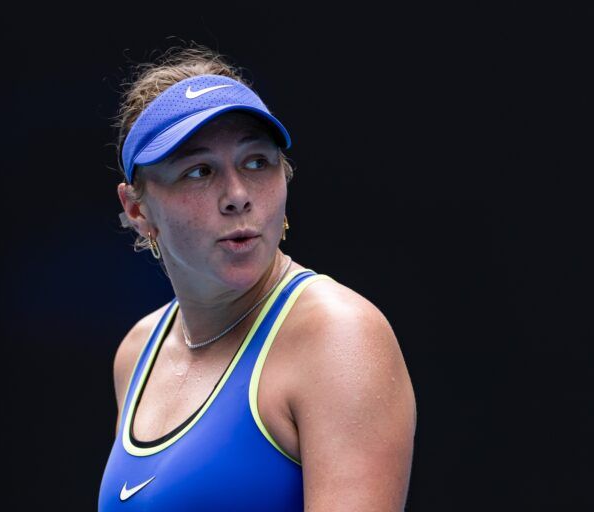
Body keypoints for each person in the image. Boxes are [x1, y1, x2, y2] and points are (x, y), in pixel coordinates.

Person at [98, 43, 417, 512]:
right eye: (199, 171)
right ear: (137, 208)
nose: (237, 195)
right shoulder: (136, 353)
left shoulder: (339, 336)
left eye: (256, 162)